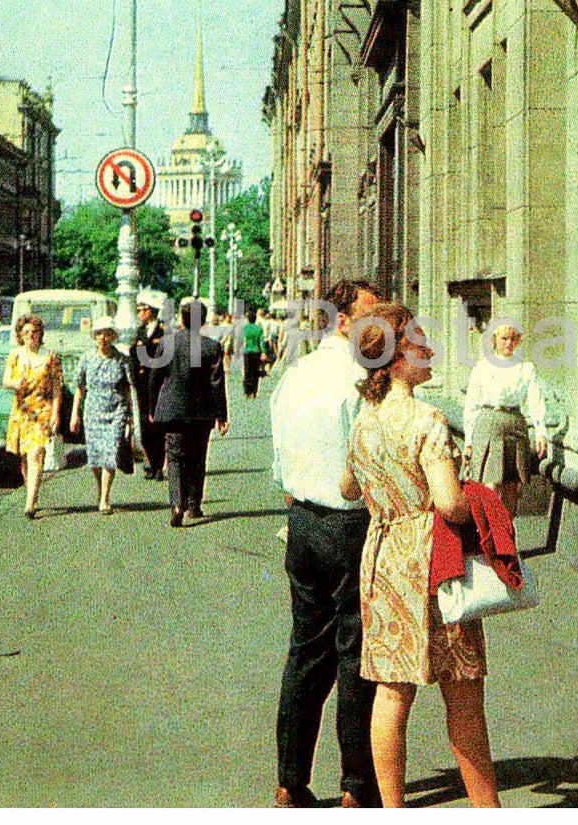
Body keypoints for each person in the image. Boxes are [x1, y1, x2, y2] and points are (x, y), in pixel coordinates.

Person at [339, 303, 499, 808]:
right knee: (464, 694)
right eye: (418, 343)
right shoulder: (428, 420)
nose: (429, 349)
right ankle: (488, 810)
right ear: (391, 358)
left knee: (391, 692)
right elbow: (449, 503)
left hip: (384, 556)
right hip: (433, 562)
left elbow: (346, 488)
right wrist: (480, 498)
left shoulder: (364, 421)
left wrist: (385, 490)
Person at [268, 278, 385, 809]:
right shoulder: (362, 379)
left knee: (304, 654)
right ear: (344, 321)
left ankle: (290, 781)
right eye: (371, 315)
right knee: (354, 657)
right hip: (349, 526)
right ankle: (357, 786)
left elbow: (280, 463)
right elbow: (368, 466)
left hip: (302, 524)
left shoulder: (294, 376)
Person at [153, 299, 228, 526]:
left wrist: (151, 407)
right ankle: (194, 504)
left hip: (174, 410)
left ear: (181, 319)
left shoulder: (167, 344)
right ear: (203, 321)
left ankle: (176, 503)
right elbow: (217, 383)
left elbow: (155, 378)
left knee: (175, 457)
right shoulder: (211, 347)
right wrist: (221, 415)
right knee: (198, 456)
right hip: (201, 412)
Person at [462, 324, 549, 518]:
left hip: (515, 426)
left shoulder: (526, 369)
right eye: (504, 339)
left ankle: (507, 538)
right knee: (490, 486)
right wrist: (468, 441)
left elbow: (536, 400)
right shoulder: (482, 367)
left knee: (512, 487)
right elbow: (471, 405)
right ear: (494, 340)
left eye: (513, 338)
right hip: (488, 424)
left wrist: (541, 431)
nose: (509, 343)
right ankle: (490, 537)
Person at [70, 316, 135, 515]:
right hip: (93, 411)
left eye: (107, 334)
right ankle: (100, 489)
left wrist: (131, 416)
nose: (103, 338)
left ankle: (105, 498)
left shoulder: (122, 360)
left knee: (110, 453)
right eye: (99, 334)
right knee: (95, 458)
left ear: (113, 336)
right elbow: (80, 388)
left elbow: (127, 389)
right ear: (95, 337)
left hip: (116, 410)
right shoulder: (87, 358)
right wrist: (75, 414)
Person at [2, 314, 63, 519]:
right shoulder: (15, 355)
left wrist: (56, 413)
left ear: (40, 334)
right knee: (24, 458)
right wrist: (14, 384)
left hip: (42, 411)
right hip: (21, 412)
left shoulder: (50, 356)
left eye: (34, 332)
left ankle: (29, 503)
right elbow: (6, 380)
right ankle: (33, 491)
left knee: (36, 453)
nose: (31, 336)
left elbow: (56, 388)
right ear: (20, 335)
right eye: (26, 332)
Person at [130, 294, 169, 480]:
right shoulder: (139, 331)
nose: (138, 314)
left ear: (150, 311)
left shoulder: (163, 332)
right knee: (145, 426)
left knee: (158, 425)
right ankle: (151, 461)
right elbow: (133, 355)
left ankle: (159, 465)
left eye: (140, 311)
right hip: (142, 385)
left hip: (159, 384)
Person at [241, 308, 266, 400]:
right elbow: (261, 342)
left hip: (247, 351)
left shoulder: (244, 328)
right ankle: (254, 392)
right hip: (256, 351)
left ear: (248, 319)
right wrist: (264, 352)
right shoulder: (259, 329)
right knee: (255, 372)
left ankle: (247, 392)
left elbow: (242, 341)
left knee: (247, 372)